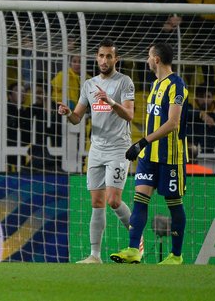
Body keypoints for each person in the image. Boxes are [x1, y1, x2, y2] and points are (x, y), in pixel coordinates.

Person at [57, 39, 137, 264]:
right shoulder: (89, 85)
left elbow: (129, 115)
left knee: (113, 200)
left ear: (116, 59)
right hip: (96, 149)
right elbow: (77, 118)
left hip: (118, 149)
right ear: (96, 58)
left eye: (109, 56)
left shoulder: (124, 82)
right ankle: (95, 256)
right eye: (101, 56)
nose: (104, 60)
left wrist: (111, 101)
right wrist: (68, 113)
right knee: (97, 202)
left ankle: (136, 240)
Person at [111, 42, 189, 265]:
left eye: (148, 56)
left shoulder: (177, 85)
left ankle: (176, 256)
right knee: (139, 200)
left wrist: (142, 142)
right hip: (149, 156)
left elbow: (173, 123)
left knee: (174, 204)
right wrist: (144, 147)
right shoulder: (155, 85)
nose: (146, 60)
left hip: (170, 156)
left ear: (156, 59)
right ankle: (133, 249)